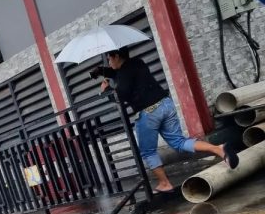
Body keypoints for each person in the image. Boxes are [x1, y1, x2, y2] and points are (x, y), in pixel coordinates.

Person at [90, 47, 238, 193]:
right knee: (179, 142)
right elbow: (121, 71)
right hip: (166, 104)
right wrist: (103, 71)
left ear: (116, 56)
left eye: (109, 58)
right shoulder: (137, 62)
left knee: (148, 152)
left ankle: (164, 183)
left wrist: (106, 91)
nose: (109, 62)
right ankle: (218, 149)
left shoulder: (123, 73)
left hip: (149, 112)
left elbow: (121, 96)